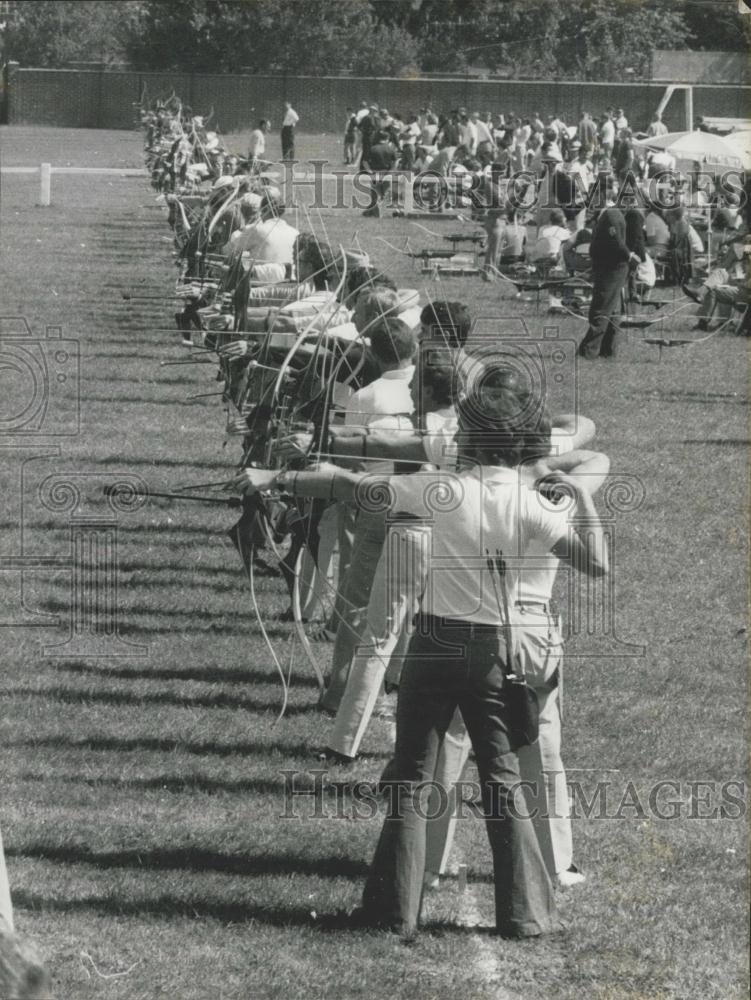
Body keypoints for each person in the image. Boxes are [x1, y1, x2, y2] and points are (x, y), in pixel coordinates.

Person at [231, 378, 609, 939]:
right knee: (503, 779)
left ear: (471, 441)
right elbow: (597, 564)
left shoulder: (438, 490)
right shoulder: (534, 501)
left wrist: (274, 476)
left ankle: (392, 910)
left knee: (411, 777)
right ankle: (527, 915)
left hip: (432, 648)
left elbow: (349, 487)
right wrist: (580, 498)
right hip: (494, 653)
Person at [578, 207, 641, 359]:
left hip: (611, 268)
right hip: (614, 268)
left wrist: (628, 255)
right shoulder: (612, 215)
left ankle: (588, 351)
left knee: (601, 309)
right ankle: (608, 350)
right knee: (613, 311)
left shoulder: (610, 215)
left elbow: (615, 240)